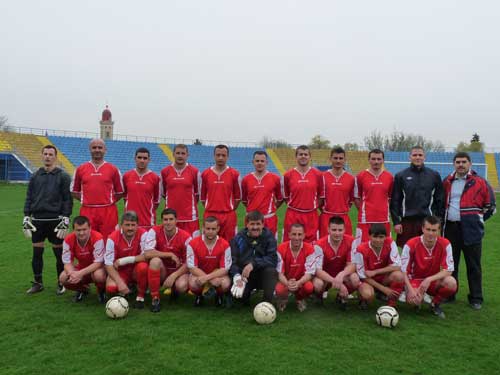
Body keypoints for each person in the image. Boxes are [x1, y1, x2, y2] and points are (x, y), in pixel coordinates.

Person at [443, 151, 496, 309]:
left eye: (464, 162)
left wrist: (476, 220)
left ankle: (476, 298)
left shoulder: (480, 182)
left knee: (474, 265)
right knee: (451, 265)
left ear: (470, 164)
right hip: (451, 228)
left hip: (471, 230)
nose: (460, 164)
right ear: (454, 164)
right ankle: (450, 293)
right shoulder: (446, 181)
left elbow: (491, 207)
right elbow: (440, 204)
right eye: (458, 162)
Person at [23, 145, 73, 295]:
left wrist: (66, 218)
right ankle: (38, 283)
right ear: (42, 156)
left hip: (56, 221)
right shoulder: (35, 175)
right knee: (37, 253)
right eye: (45, 154)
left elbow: (67, 199)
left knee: (59, 254)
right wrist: (26, 216)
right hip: (37, 220)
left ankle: (61, 282)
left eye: (51, 154)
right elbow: (29, 197)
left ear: (55, 157)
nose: (47, 157)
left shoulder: (63, 176)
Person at [400, 216, 457, 318]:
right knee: (413, 301)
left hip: (432, 282)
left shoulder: (445, 244)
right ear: (422, 229)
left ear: (439, 230)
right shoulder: (411, 244)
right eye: (428, 229)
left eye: (434, 230)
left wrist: (429, 279)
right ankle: (414, 297)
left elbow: (448, 270)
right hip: (415, 280)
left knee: (451, 283)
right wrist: (411, 290)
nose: (431, 233)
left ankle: (434, 304)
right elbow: (403, 272)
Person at [390, 146, 444, 247]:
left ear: (424, 157)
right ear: (410, 157)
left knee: (427, 253)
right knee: (407, 253)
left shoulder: (434, 175)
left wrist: (438, 220)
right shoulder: (400, 176)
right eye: (414, 155)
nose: (417, 157)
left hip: (428, 221)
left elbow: (440, 200)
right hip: (407, 221)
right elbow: (395, 201)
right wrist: (396, 222)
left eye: (420, 155)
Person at [71, 138, 124, 239]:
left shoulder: (113, 169)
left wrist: (108, 200)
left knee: (109, 239)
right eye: (94, 147)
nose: (97, 150)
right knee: (88, 239)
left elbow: (120, 192)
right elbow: (74, 191)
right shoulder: (81, 169)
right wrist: (86, 199)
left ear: (105, 150)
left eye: (100, 147)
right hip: (87, 210)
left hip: (108, 211)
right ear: (90, 149)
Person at [144, 208, 192, 313]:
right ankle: (155, 298)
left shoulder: (186, 237)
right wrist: (169, 254)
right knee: (154, 261)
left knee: (182, 286)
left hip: (179, 271)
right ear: (162, 221)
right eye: (165, 219)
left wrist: (174, 276)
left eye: (171, 219)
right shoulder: (154, 231)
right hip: (163, 269)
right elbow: (147, 253)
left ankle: (175, 290)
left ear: (176, 220)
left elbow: (190, 263)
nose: (168, 222)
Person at [229, 211, 278, 304]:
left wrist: (253, 264)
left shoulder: (269, 237)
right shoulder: (238, 238)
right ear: (247, 224)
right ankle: (245, 295)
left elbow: (272, 259)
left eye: (258, 224)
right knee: (240, 299)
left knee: (271, 271)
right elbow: (232, 260)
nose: (255, 227)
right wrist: (236, 276)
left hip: (262, 275)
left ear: (263, 224)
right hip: (245, 276)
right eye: (252, 224)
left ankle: (266, 302)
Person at [312, 216, 360, 309]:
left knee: (355, 278)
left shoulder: (351, 241)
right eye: (334, 230)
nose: (337, 233)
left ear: (344, 230)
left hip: (342, 275)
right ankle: (318, 296)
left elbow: (352, 265)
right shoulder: (319, 244)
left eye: (340, 230)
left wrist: (341, 275)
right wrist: (336, 281)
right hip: (325, 276)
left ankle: (341, 296)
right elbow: (317, 270)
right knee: (318, 284)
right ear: (328, 229)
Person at [104, 211, 149, 308]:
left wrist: (124, 260)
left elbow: (146, 255)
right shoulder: (112, 238)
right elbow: (108, 264)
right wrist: (120, 283)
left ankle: (140, 296)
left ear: (138, 225)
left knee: (143, 267)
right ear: (121, 226)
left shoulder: (144, 234)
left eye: (133, 225)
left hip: (135, 269)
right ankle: (126, 288)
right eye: (127, 225)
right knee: (111, 288)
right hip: (121, 271)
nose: (130, 228)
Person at [353, 223, 404, 309]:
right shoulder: (361, 249)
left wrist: (375, 271)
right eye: (375, 237)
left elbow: (398, 266)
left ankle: (392, 303)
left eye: (381, 237)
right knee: (368, 295)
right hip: (368, 280)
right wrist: (383, 289)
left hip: (383, 278)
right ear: (369, 236)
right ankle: (363, 298)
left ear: (385, 237)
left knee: (398, 275)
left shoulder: (390, 242)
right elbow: (362, 276)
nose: (378, 240)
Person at [59, 216, 107, 303]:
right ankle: (82, 289)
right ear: (73, 230)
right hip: (81, 268)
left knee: (99, 275)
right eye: (78, 230)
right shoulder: (68, 239)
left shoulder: (97, 237)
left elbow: (99, 262)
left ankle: (101, 291)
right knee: (63, 278)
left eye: (84, 229)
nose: (81, 233)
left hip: (96, 269)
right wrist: (72, 274)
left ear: (90, 228)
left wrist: (80, 273)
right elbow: (67, 262)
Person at [186, 216, 232, 307]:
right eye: (208, 228)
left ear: (218, 229)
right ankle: (199, 296)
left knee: (226, 284)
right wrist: (210, 279)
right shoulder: (193, 243)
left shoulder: (225, 244)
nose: (210, 231)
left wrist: (208, 278)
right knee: (193, 284)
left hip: (217, 274)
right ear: (203, 228)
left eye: (213, 229)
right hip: (199, 273)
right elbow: (192, 267)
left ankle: (219, 295)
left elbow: (225, 269)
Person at [200, 145, 241, 242]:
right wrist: (212, 207)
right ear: (214, 156)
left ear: (228, 157)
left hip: (228, 216)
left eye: (223, 155)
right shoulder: (205, 174)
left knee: (229, 243)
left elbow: (238, 198)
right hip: (210, 214)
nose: (220, 158)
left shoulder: (234, 174)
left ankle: (228, 258)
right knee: (208, 242)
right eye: (218, 155)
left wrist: (228, 208)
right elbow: (202, 198)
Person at [282, 145, 322, 243]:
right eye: (300, 154)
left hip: (311, 215)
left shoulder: (318, 174)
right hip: (293, 214)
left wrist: (312, 206)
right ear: (296, 156)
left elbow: (321, 196)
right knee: (291, 242)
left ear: (310, 157)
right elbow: (286, 196)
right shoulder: (288, 175)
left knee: (312, 244)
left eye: (306, 154)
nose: (303, 156)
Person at [354, 149, 393, 245]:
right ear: (369, 160)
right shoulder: (360, 176)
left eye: (379, 159)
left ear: (383, 160)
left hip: (383, 219)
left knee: (385, 247)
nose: (376, 162)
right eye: (373, 159)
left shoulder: (389, 177)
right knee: (363, 247)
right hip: (365, 220)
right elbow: (356, 198)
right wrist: (365, 211)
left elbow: (390, 198)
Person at [161, 144, 201, 237]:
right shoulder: (165, 172)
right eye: (178, 153)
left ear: (187, 155)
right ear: (173, 154)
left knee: (191, 246)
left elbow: (197, 194)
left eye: (183, 153)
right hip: (170, 218)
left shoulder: (194, 171)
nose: (180, 156)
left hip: (190, 218)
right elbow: (164, 194)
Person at [275, 224, 317, 312]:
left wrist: (298, 283)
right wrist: (287, 283)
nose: (297, 238)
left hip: (302, 281)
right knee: (279, 290)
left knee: (309, 287)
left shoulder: (310, 249)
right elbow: (279, 273)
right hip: (286, 280)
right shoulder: (281, 248)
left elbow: (310, 273)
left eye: (299, 234)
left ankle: (299, 299)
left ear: (304, 235)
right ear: (289, 235)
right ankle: (283, 299)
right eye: (294, 234)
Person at [241, 151, 283, 236]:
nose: (259, 163)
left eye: (262, 161)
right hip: (251, 219)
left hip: (269, 218)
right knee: (250, 246)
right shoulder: (246, 179)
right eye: (257, 161)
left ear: (266, 162)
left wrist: (271, 209)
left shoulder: (275, 178)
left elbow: (279, 198)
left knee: (270, 246)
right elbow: (244, 200)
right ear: (253, 162)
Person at [319, 147, 355, 237]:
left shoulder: (351, 179)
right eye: (335, 158)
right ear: (330, 159)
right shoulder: (322, 176)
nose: (338, 161)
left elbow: (351, 200)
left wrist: (342, 209)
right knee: (324, 246)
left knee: (346, 247)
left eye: (341, 158)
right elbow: (319, 198)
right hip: (326, 217)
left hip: (343, 217)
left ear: (345, 160)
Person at [122, 148, 161, 229]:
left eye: (145, 158)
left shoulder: (155, 178)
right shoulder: (127, 176)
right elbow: (125, 197)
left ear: (149, 160)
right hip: (129, 222)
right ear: (135, 158)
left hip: (148, 222)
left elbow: (156, 202)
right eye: (139, 157)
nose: (142, 160)